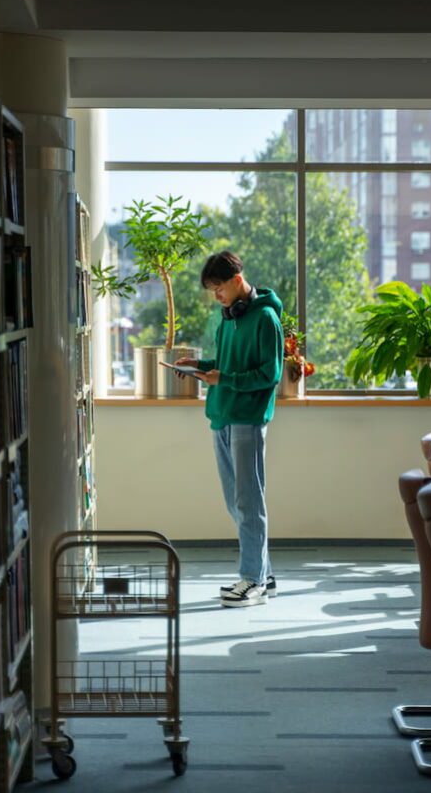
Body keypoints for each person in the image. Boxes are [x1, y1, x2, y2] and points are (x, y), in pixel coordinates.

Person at [175, 250, 283, 608]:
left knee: (249, 502)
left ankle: (252, 579)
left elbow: (271, 374)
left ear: (237, 280)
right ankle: (263, 574)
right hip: (221, 415)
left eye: (218, 288)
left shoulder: (266, 318)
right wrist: (200, 365)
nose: (216, 296)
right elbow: (223, 364)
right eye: (212, 290)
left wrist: (227, 378)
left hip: (247, 419)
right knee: (235, 502)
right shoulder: (228, 319)